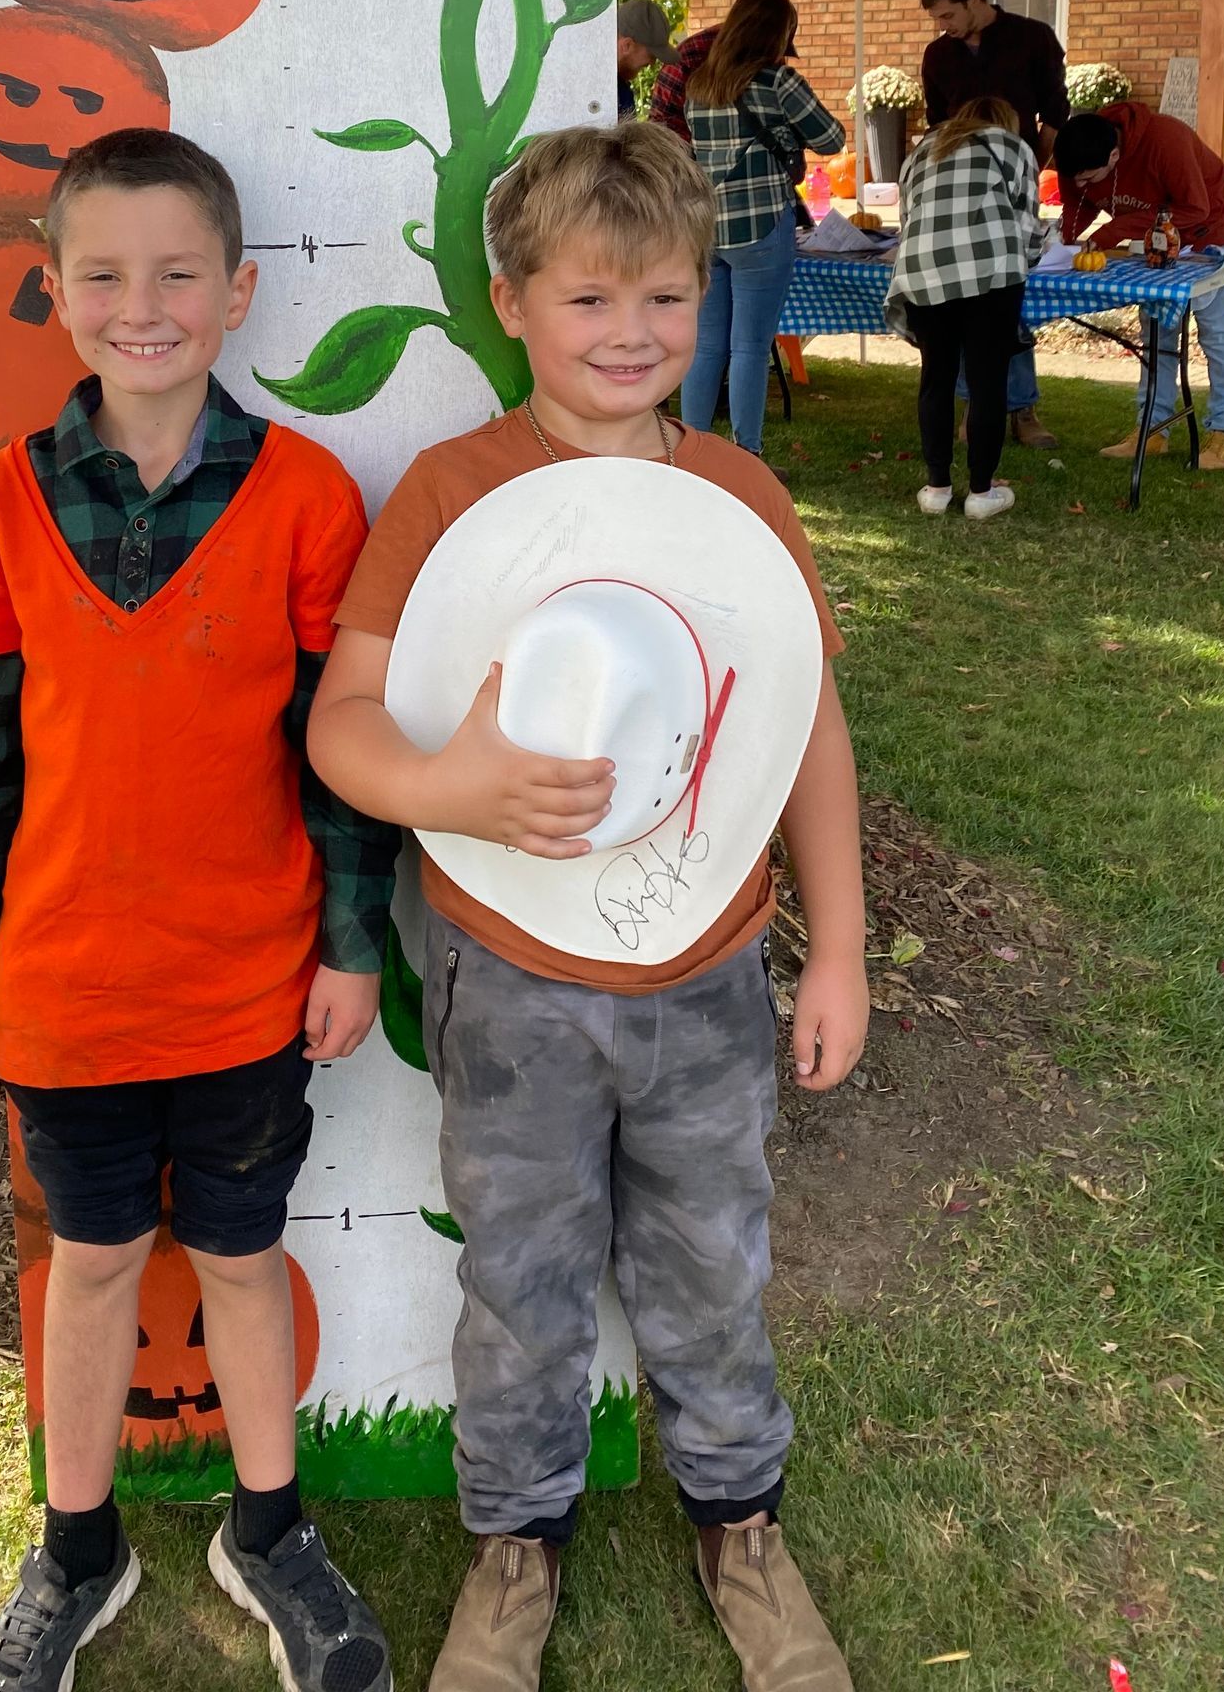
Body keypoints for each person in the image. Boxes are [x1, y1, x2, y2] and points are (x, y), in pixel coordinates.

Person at [308, 121, 867, 1692]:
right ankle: (514, 1545)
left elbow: (804, 730)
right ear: (510, 303)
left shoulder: (742, 492)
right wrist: (451, 793)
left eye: (670, 302)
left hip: (707, 970)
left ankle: (741, 1523)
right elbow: (345, 721)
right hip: (511, 975)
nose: (631, 338)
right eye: (588, 303)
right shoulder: (450, 490)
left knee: (712, 1253)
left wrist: (843, 951)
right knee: (524, 1266)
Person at [0, 127, 398, 1692]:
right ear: (53, 293)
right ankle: (77, 1546)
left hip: (249, 980)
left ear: (237, 291)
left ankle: (271, 1533)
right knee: (98, 1263)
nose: (145, 306)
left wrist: (350, 941)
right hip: (64, 988)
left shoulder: (309, 497)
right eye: (107, 274)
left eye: (178, 274)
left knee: (246, 1260)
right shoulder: (2, 507)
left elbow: (342, 750)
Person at [680, 0, 845, 459]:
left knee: (707, 345)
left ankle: (692, 456)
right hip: (760, 224)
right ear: (777, 33)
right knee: (750, 347)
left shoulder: (700, 84)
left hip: (707, 228)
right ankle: (745, 457)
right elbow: (832, 140)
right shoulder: (778, 82)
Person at [919, 0, 1072, 450]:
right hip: (957, 202)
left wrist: (1030, 168)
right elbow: (937, 127)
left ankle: (1022, 407)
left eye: (948, 15)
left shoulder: (1033, 37)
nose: (942, 27)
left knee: (1013, 303)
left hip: (1015, 193)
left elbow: (1054, 115)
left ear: (974, 0)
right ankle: (973, 407)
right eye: (936, 20)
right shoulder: (938, 56)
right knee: (963, 303)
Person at [1054, 101, 1224, 470]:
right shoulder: (1080, 150)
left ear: (1114, 156)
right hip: (1154, 235)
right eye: (1073, 177)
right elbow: (1080, 203)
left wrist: (1113, 232)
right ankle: (1152, 428)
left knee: (1215, 330)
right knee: (1156, 328)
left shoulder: (1165, 140)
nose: (1079, 185)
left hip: (1206, 230)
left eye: (1087, 177)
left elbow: (1195, 207)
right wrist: (1061, 244)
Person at [887, 96, 1042, 522]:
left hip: (923, 271)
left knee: (935, 377)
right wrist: (1031, 259)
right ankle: (981, 490)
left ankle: (936, 486)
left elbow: (907, 217)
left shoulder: (922, 150)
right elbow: (1028, 224)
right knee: (987, 380)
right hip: (990, 271)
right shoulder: (1012, 147)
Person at [615, 0, 673, 113]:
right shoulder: (599, 90)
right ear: (627, 45)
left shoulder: (620, 87)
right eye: (652, 55)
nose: (652, 63)